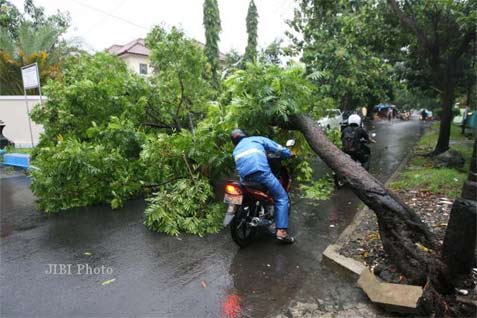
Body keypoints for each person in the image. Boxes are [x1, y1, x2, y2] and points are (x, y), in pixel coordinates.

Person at [230, 129, 295, 244]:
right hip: (262, 174)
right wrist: (289, 153)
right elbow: (278, 149)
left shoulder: (235, 150)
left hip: (245, 180)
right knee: (281, 198)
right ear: (246, 135)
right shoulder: (256, 139)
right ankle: (281, 233)